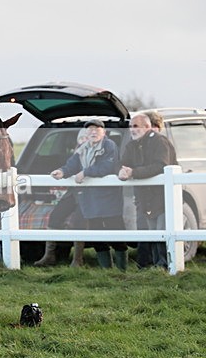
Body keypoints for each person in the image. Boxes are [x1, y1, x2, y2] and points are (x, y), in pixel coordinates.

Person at [51, 119, 128, 269]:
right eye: (90, 129)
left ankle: (122, 271)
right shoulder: (82, 148)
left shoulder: (109, 146)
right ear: (86, 133)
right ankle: (107, 270)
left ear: (104, 132)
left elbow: (107, 166)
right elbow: (72, 164)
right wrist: (62, 171)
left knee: (117, 233)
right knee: (96, 236)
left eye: (97, 129)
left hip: (109, 200)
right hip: (89, 200)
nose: (93, 132)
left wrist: (86, 172)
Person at [118, 113, 178, 268]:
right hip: (146, 198)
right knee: (152, 233)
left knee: (162, 232)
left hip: (162, 196)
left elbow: (160, 165)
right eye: (130, 126)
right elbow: (123, 163)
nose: (132, 129)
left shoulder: (160, 142)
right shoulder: (131, 145)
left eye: (136, 126)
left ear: (147, 127)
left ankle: (165, 267)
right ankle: (156, 268)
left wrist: (134, 172)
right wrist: (121, 171)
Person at [34, 128, 88, 267]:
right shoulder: (76, 154)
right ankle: (49, 256)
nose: (84, 141)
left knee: (79, 221)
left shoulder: (98, 152)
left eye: (86, 138)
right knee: (55, 217)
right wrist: (62, 171)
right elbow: (69, 166)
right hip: (73, 193)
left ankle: (78, 260)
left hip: (90, 195)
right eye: (81, 139)